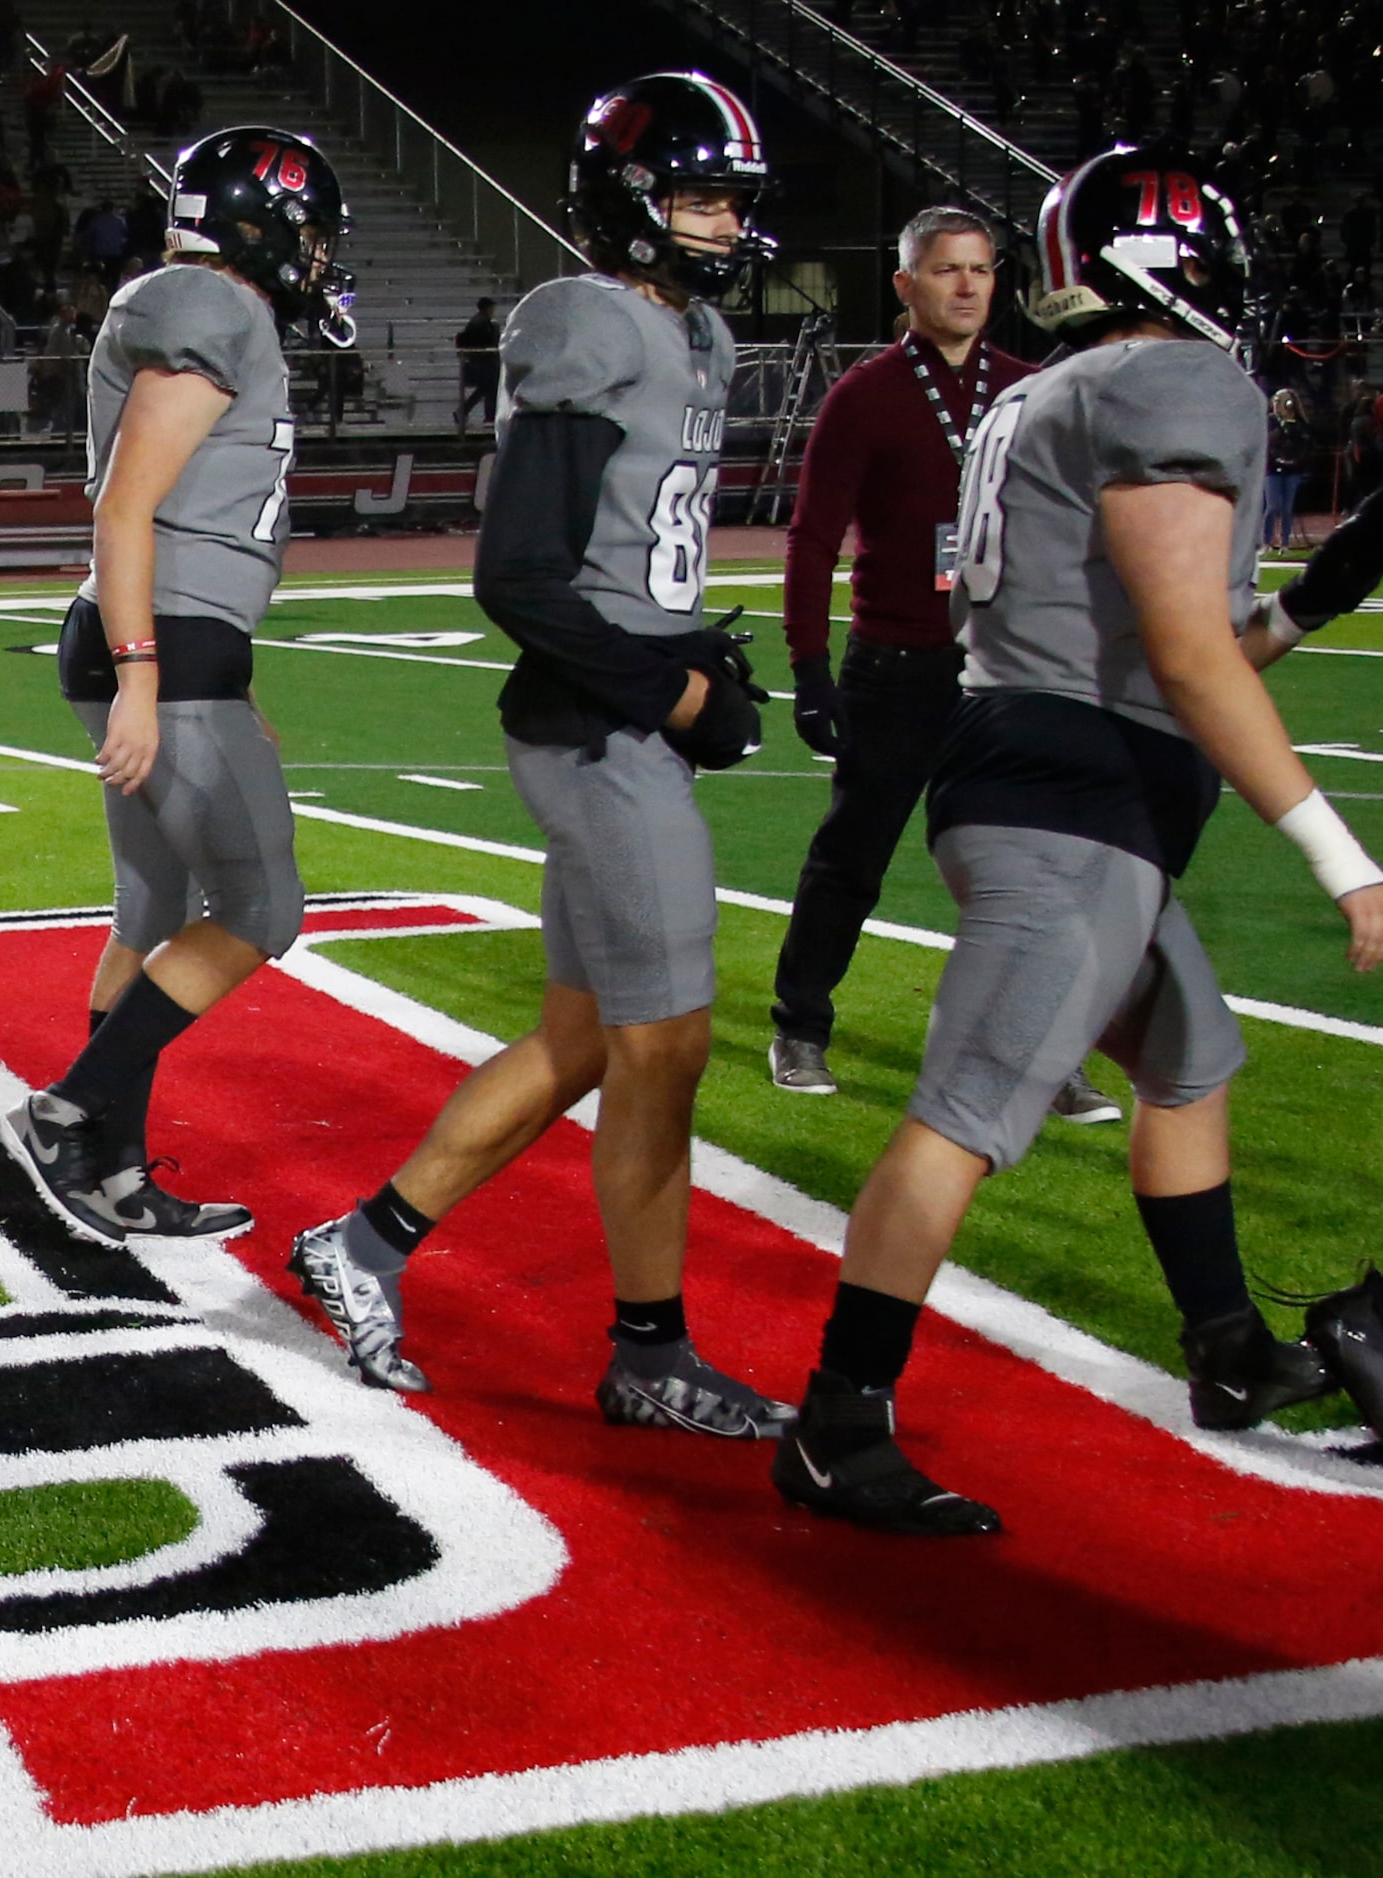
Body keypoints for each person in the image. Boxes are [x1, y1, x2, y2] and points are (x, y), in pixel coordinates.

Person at [772, 148, 1380, 1535]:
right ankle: (835, 1419)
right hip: (1072, 798)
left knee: (1186, 1060)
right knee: (968, 1111)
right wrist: (1345, 861)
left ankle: (1226, 1348)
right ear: (1170, 261)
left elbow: (1182, 643)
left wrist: (1318, 597)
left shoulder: (1044, 388)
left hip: (1042, 767)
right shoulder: (1170, 381)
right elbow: (1180, 655)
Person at [284, 75, 785, 1437]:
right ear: (627, 201)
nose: (724, 220)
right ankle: (649, 1350)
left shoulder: (701, 335)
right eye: (698, 194)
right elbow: (518, 575)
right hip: (599, 723)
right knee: (664, 1046)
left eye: (734, 197)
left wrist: (687, 663)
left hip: (620, 709)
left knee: (580, 1037)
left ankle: (368, 1241)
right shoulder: (583, 321)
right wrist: (674, 692)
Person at [3, 127, 351, 1245]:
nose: (317, 254)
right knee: (260, 907)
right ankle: (71, 1114)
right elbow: (122, 505)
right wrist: (153, 674)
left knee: (153, 911)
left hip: (161, 642)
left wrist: (202, 673)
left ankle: (109, 1172)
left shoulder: (209, 309)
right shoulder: (216, 308)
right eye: (305, 232)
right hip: (158, 641)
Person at [767, 209, 1074, 1113]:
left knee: (1023, 868)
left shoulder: (1029, 389)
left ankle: (1041, 1049)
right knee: (851, 858)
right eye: (947, 270)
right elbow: (811, 540)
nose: (968, 286)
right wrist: (811, 668)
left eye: (980, 269)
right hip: (895, 666)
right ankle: (800, 1025)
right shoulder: (862, 397)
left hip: (1003, 672)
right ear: (906, 285)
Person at [453, 296, 503, 432]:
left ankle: (464, 411)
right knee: (490, 387)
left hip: (478, 364)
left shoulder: (478, 322)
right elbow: (486, 343)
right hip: (481, 365)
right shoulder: (482, 323)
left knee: (486, 388)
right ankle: (488, 417)